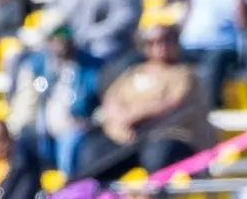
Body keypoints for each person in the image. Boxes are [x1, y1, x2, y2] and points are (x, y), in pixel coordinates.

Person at [77, 21, 212, 180]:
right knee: (94, 153)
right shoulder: (134, 72)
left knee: (157, 154)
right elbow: (112, 99)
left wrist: (133, 117)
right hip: (128, 138)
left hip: (168, 136)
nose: (159, 46)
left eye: (165, 40)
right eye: (152, 42)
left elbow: (171, 104)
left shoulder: (185, 74)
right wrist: (120, 123)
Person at [6, 20, 97, 176]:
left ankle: (67, 187)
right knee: (21, 144)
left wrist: (91, 120)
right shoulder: (35, 66)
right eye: (54, 37)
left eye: (64, 36)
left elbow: (100, 101)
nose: (59, 41)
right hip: (41, 129)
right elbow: (26, 105)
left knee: (71, 139)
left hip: (74, 128)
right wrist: (15, 129)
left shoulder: (90, 67)